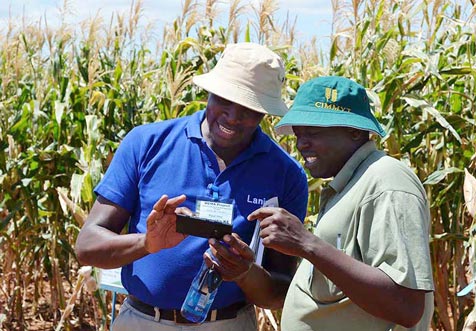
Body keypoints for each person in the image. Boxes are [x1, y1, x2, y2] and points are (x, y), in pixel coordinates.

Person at [75, 42, 309, 331]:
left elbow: (281, 290)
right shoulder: (146, 144)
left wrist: (245, 273)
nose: (233, 116)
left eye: (249, 108)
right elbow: (87, 246)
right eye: (225, 99)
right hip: (143, 321)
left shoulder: (285, 173)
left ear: (264, 112)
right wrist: (146, 243)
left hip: (229, 324)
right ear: (209, 92)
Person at [248, 76, 434, 331]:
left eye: (313, 133)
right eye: (299, 134)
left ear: (355, 132)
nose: (301, 144)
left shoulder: (387, 183)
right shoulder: (349, 184)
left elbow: (406, 305)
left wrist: (305, 243)